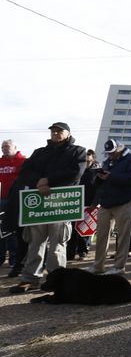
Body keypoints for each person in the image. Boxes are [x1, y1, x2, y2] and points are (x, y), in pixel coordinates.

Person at [8, 122, 87, 294]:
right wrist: (39, 182)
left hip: (61, 204)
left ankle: (56, 279)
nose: (56, 134)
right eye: (53, 131)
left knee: (58, 243)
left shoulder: (78, 151)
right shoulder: (40, 152)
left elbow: (75, 173)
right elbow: (25, 172)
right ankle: (30, 278)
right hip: (39, 205)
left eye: (60, 131)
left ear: (68, 133)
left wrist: (47, 180)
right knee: (35, 243)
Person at [89, 139, 131, 275]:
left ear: (119, 148)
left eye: (112, 152)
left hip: (125, 201)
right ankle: (98, 265)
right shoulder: (108, 161)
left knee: (123, 236)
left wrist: (111, 176)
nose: (110, 155)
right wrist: (99, 177)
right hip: (107, 202)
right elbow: (102, 182)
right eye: (108, 153)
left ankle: (119, 266)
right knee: (101, 235)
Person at [67, 149, 100, 261]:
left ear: (93, 158)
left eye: (89, 156)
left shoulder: (97, 172)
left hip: (89, 204)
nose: (87, 159)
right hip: (75, 203)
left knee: (85, 229)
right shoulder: (76, 170)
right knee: (72, 229)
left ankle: (83, 251)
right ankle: (70, 252)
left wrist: (95, 203)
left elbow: (99, 189)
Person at [0, 139, 27, 272]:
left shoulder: (23, 161)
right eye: (3, 146)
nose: (4, 148)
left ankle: (14, 259)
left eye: (7, 146)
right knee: (2, 230)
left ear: (15, 147)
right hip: (2, 200)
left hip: (17, 200)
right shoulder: (0, 162)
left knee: (14, 231)